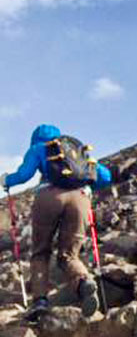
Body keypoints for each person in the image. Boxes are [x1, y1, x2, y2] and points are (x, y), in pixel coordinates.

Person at [4, 125, 113, 317]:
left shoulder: (39, 148)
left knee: (41, 252)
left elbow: (24, 175)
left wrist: (6, 180)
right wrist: (87, 188)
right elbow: (105, 176)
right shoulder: (75, 150)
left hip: (48, 196)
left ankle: (40, 302)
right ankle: (83, 282)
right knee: (69, 254)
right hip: (80, 198)